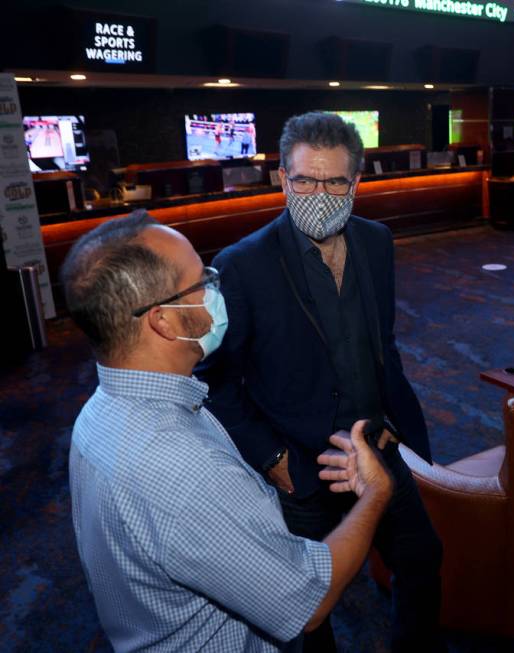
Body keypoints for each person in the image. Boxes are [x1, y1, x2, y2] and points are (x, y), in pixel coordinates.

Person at [63, 210, 394, 652]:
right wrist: (374, 493)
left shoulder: (98, 411)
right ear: (163, 320)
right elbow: (309, 602)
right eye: (201, 282)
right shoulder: (186, 470)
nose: (216, 287)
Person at [196, 112, 444, 652]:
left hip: (377, 449)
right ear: (282, 179)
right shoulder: (242, 264)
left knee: (422, 559)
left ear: (356, 183)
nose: (319, 193)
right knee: (309, 613)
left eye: (334, 182)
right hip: (300, 465)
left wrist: (393, 423)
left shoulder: (377, 242)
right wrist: (273, 459)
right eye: (305, 180)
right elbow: (215, 381)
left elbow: (382, 340)